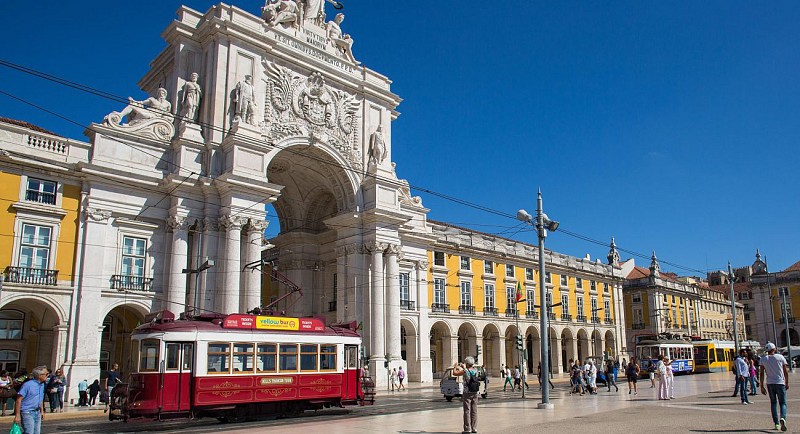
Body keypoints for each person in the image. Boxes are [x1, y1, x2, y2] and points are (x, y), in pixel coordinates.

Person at [760, 342, 789, 431]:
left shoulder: (763, 359)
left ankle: (776, 424)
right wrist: (787, 383)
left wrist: (762, 386)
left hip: (770, 383)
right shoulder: (780, 357)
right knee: (783, 403)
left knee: (773, 403)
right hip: (780, 382)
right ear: (774, 349)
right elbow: (785, 372)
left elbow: (761, 373)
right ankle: (783, 418)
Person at [14, 365, 48, 434]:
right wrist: (17, 415)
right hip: (27, 412)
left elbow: (40, 398)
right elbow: (18, 399)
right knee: (29, 432)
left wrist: (42, 411)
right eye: (46, 374)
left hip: (37, 412)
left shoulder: (42, 384)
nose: (48, 375)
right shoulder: (28, 385)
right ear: (39, 375)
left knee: (37, 432)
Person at [452, 357, 479, 434]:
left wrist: (455, 366)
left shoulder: (465, 371)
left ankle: (467, 429)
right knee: (474, 411)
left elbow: (454, 373)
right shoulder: (476, 370)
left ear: (467, 363)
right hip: (475, 392)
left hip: (467, 392)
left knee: (467, 410)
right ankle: (474, 428)